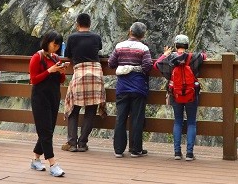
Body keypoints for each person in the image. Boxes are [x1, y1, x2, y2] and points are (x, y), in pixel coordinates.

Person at [154, 33, 206, 161]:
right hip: (191, 94)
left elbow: (156, 65)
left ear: (175, 45)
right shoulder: (193, 57)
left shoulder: (170, 58)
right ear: (187, 45)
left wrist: (165, 54)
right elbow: (204, 56)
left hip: (175, 94)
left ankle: (177, 153)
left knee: (177, 121)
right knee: (191, 122)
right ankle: (189, 153)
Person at [108, 21, 153, 158]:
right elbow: (147, 66)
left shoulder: (119, 46)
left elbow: (111, 63)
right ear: (143, 35)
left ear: (130, 31)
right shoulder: (143, 48)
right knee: (137, 118)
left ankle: (119, 150)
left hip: (122, 86)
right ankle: (135, 149)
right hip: (138, 86)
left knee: (120, 118)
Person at [62, 13, 105, 153]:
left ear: (77, 24)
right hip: (96, 74)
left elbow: (67, 55)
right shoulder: (96, 37)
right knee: (91, 110)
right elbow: (98, 49)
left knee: (74, 109)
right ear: (90, 24)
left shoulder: (72, 38)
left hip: (80, 74)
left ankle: (72, 143)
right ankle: (83, 143)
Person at [29, 30, 67, 177]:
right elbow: (34, 79)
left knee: (48, 129)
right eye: (54, 44)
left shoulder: (56, 57)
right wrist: (49, 70)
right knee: (46, 131)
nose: (56, 48)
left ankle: (35, 159)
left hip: (53, 96)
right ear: (47, 41)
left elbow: (61, 80)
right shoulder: (37, 57)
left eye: (58, 46)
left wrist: (61, 71)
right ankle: (53, 163)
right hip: (40, 97)